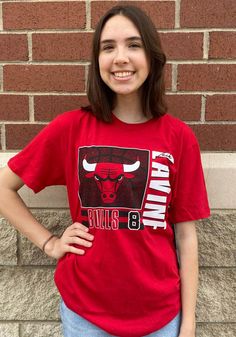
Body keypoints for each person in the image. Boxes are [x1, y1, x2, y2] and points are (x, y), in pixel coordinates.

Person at [0, 5, 210, 337]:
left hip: (161, 315)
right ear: (97, 61)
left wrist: (189, 323)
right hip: (86, 316)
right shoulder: (71, 128)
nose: (120, 57)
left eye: (134, 45)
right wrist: (50, 243)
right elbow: (3, 188)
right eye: (108, 47)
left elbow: (185, 236)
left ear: (152, 57)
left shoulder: (178, 137)